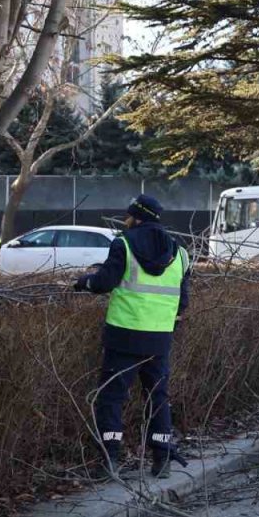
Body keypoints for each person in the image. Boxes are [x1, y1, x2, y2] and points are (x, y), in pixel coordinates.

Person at [74, 194, 190, 479]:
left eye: (129, 216)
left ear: (136, 217)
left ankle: (110, 459)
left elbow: (104, 283)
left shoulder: (123, 244)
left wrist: (83, 282)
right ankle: (161, 459)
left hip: (124, 336)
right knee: (158, 397)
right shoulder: (181, 253)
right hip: (160, 339)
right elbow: (182, 302)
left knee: (112, 398)